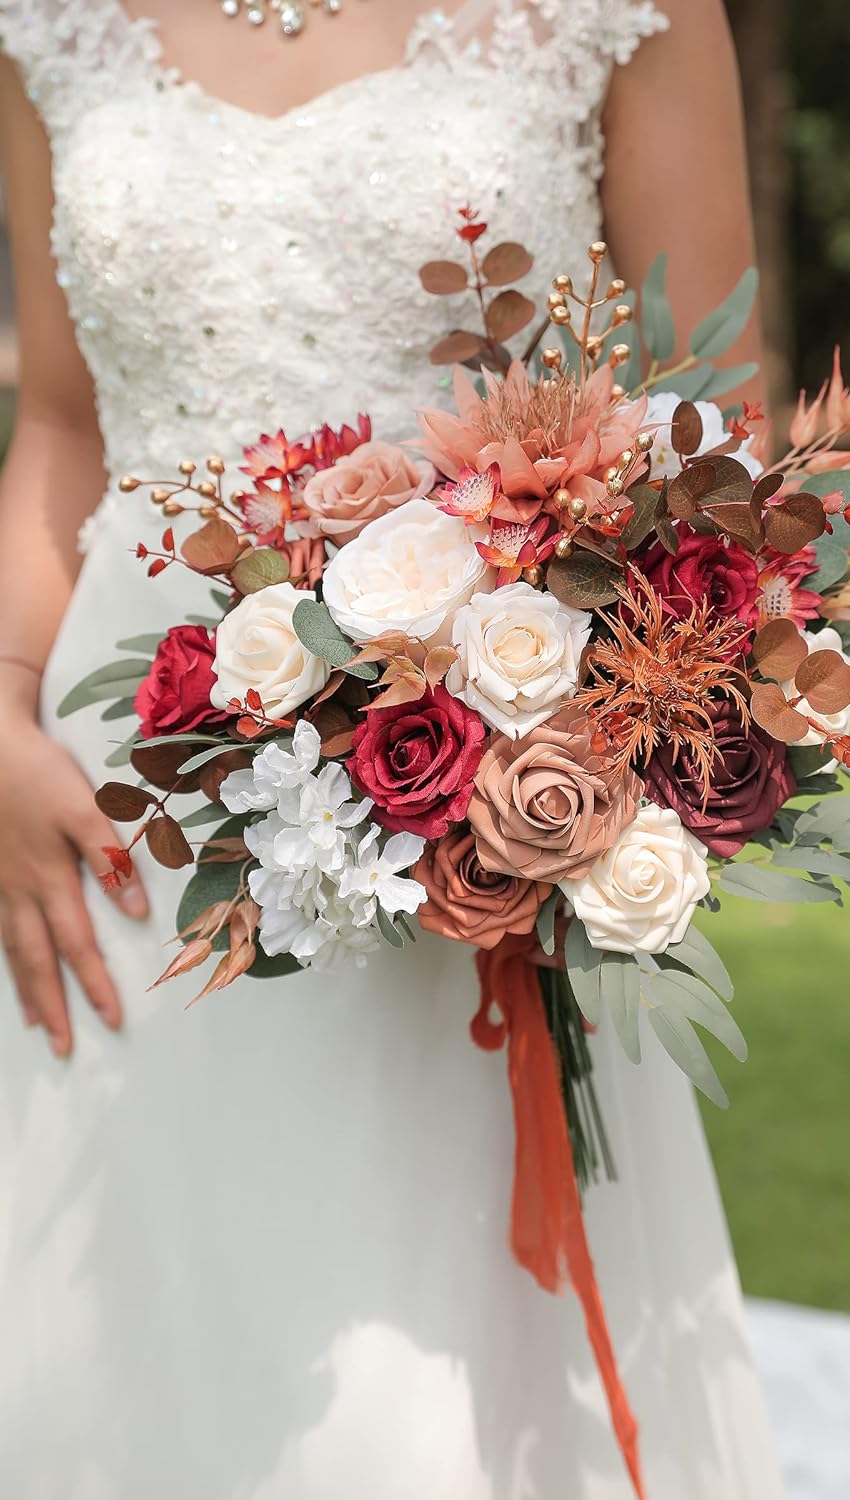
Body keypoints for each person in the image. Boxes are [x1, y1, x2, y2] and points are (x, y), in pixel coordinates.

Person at [0, 3, 783, 1496]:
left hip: (489, 746)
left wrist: (576, 732)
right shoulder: (50, 22)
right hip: (121, 776)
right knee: (131, 1314)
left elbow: (714, 410)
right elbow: (60, 419)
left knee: (424, 1351)